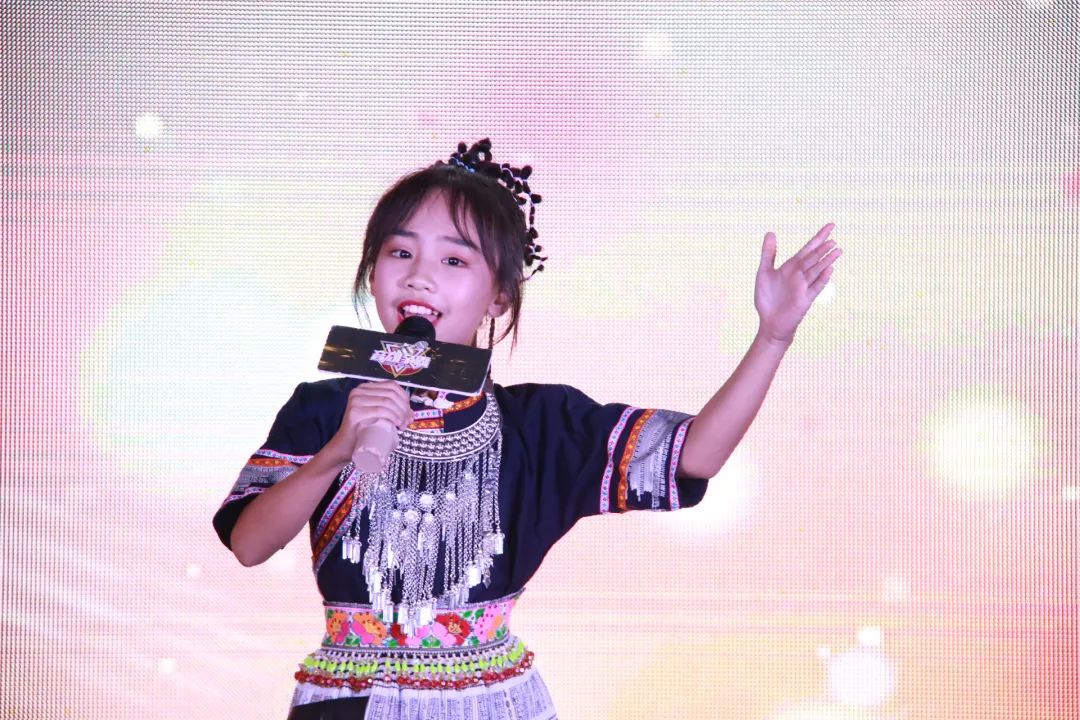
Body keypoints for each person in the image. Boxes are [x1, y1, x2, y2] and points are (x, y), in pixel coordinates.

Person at [213, 139, 842, 720]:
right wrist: (335, 453)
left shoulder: (540, 426)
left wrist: (773, 336)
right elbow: (249, 545)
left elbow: (692, 456)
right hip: (349, 703)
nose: (418, 275)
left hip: (492, 703)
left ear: (498, 297)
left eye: (453, 259)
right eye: (400, 252)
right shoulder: (323, 409)